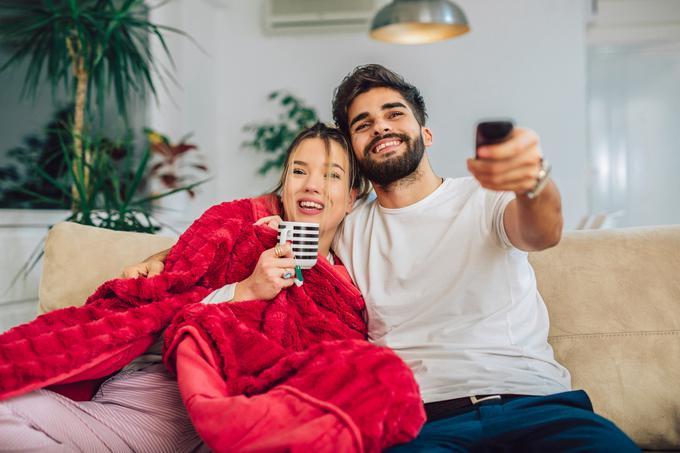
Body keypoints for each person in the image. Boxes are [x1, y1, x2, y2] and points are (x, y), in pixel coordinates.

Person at [133, 65, 640, 452]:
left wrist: (532, 181)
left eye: (394, 114)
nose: (381, 127)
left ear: (426, 132)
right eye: (363, 123)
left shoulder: (483, 199)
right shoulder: (346, 228)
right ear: (354, 152)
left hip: (539, 406)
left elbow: (540, 230)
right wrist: (164, 255)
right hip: (424, 423)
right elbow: (253, 220)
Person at [0, 123, 424, 452]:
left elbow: (308, 371)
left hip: (164, 410)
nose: (311, 184)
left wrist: (248, 294)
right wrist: (230, 273)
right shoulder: (240, 234)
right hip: (114, 386)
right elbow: (171, 295)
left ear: (352, 197)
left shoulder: (342, 290)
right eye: (299, 171)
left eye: (331, 176)